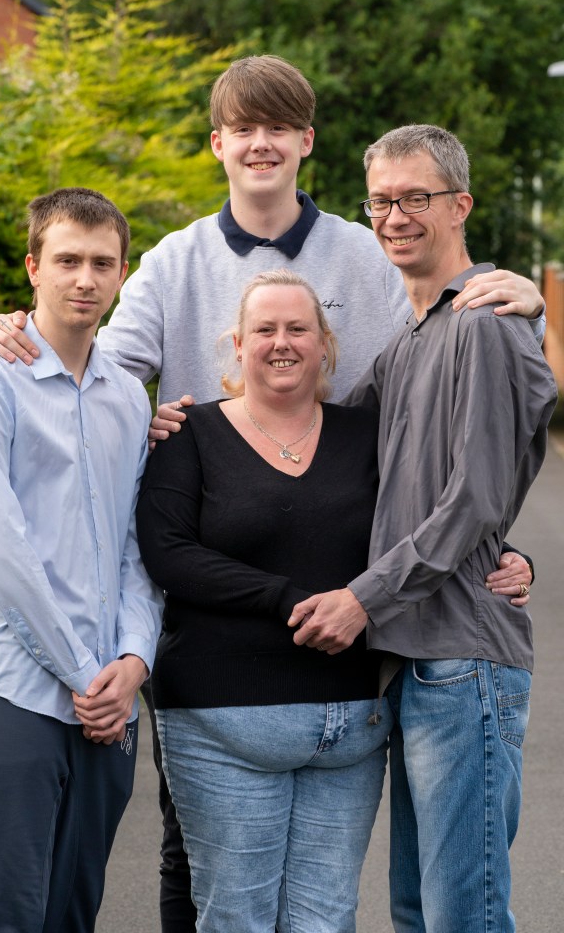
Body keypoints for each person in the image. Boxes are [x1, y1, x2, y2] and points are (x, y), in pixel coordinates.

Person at [0, 57, 540, 932]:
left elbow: (451, 423)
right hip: (221, 615)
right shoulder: (172, 262)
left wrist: (523, 305)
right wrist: (19, 328)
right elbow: (92, 375)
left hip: (357, 617)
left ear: (307, 142)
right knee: (197, 864)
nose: (262, 143)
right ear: (219, 144)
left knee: (381, 899)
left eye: (280, 127)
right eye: (245, 128)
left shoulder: (369, 252)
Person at [287, 125, 558, 933]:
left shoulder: (482, 320)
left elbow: (474, 500)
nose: (395, 216)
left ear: (459, 206)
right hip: (416, 660)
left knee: (461, 915)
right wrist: (188, 426)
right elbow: (330, 444)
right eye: (380, 200)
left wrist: (362, 599)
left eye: (415, 198)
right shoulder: (410, 340)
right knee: (419, 911)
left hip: (461, 664)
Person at [0, 188, 163, 933]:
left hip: (106, 695)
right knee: (8, 915)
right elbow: (0, 555)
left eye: (102, 263)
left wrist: (132, 662)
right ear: (34, 267)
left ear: (123, 274)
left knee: (72, 913)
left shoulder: (128, 397)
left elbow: (136, 545)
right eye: (67, 260)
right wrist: (84, 678)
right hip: (14, 692)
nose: (84, 279)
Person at [136, 268, 391, 933]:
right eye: (266, 329)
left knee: (326, 921)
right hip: (224, 722)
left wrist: (508, 557)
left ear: (326, 344)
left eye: (298, 328)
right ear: (237, 344)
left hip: (351, 726)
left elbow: (428, 522)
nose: (283, 342)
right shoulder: (187, 432)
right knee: (236, 919)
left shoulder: (368, 434)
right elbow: (168, 553)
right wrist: (287, 598)